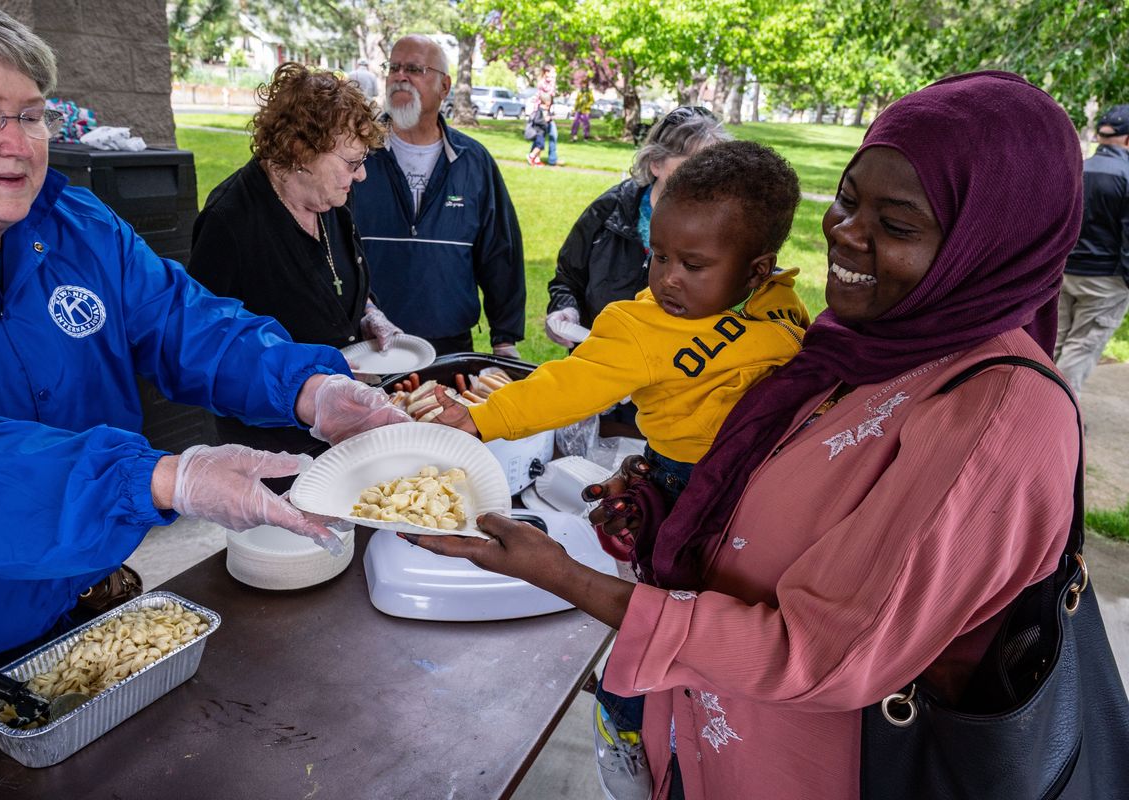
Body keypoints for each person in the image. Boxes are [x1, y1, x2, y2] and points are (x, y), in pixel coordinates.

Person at [403, 71, 1084, 799]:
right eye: (848, 201)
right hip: (698, 737)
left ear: (991, 241)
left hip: (803, 770)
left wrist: (566, 575)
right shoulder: (871, 339)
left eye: (898, 224)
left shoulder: (997, 417)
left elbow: (822, 653)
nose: (847, 235)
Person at [0, 0, 407, 708]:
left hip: (77, 613)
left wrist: (309, 387)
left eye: (32, 114)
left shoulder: (77, 226)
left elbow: (192, 324)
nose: (17, 142)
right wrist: (160, 480)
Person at [431, 140, 807, 799]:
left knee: (718, 631)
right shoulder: (644, 328)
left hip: (760, 494)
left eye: (693, 264)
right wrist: (483, 419)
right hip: (682, 487)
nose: (667, 278)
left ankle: (699, 729)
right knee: (655, 618)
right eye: (659, 254)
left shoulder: (781, 306)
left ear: (757, 269)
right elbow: (568, 385)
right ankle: (624, 721)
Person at [188, 62, 401, 458]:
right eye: (352, 162)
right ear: (301, 152)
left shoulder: (332, 196)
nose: (361, 177)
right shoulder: (229, 221)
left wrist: (368, 311)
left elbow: (341, 272)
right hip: (275, 441)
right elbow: (205, 346)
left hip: (343, 416)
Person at [350, 35, 526, 358]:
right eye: (394, 67)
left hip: (449, 345)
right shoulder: (356, 152)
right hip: (368, 341)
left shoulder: (473, 162)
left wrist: (504, 338)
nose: (400, 76)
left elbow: (501, 253)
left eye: (414, 68)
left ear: (445, 87)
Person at [545, 106, 730, 348]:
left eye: (713, 164)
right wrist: (565, 310)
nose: (705, 174)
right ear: (656, 163)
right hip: (598, 361)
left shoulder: (728, 228)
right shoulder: (610, 209)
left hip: (677, 373)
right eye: (692, 162)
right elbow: (568, 279)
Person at [1053, 103, 1129, 398]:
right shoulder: (1126, 175)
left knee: (1055, 341)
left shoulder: (1078, 169)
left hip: (1065, 272)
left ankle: (1031, 406)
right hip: (1105, 281)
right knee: (1081, 348)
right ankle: (1057, 416)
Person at [527, 65, 559, 167]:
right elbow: (546, 96)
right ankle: (534, 156)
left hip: (546, 112)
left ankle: (537, 158)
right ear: (546, 72)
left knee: (543, 136)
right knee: (543, 136)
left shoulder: (550, 83)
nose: (554, 75)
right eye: (552, 72)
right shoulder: (543, 84)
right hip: (541, 113)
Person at [570, 76, 594, 142]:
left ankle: (586, 137)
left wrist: (587, 106)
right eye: (582, 84)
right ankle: (574, 136)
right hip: (579, 110)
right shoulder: (580, 92)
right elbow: (577, 101)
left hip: (586, 111)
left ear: (586, 84)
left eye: (584, 83)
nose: (583, 85)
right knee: (575, 123)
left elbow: (592, 101)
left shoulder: (589, 92)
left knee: (586, 124)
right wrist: (574, 109)